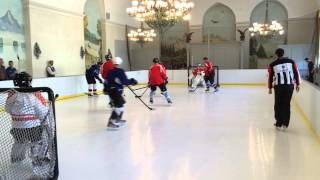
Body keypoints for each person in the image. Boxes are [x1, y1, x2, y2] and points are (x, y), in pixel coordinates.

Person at [5, 72, 51, 176]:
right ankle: (37, 161)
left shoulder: (12, 93)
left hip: (16, 127)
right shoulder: (35, 93)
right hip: (33, 127)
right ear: (29, 81)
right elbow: (43, 110)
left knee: (19, 142)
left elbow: (7, 109)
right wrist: (46, 121)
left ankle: (16, 159)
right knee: (37, 143)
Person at [268, 48, 301, 131]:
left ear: (276, 54)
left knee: (278, 104)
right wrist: (298, 84)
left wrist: (269, 88)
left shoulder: (272, 64)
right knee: (286, 104)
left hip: (279, 87)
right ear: (283, 53)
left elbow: (270, 76)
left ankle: (279, 123)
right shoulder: (291, 61)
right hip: (289, 86)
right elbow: (296, 73)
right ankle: (285, 124)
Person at [105, 57, 138, 129]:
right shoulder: (120, 71)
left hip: (112, 91)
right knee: (119, 107)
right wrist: (132, 81)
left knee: (121, 106)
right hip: (116, 91)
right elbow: (124, 81)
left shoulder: (110, 71)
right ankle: (111, 122)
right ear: (120, 63)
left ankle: (117, 119)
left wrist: (106, 89)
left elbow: (107, 81)